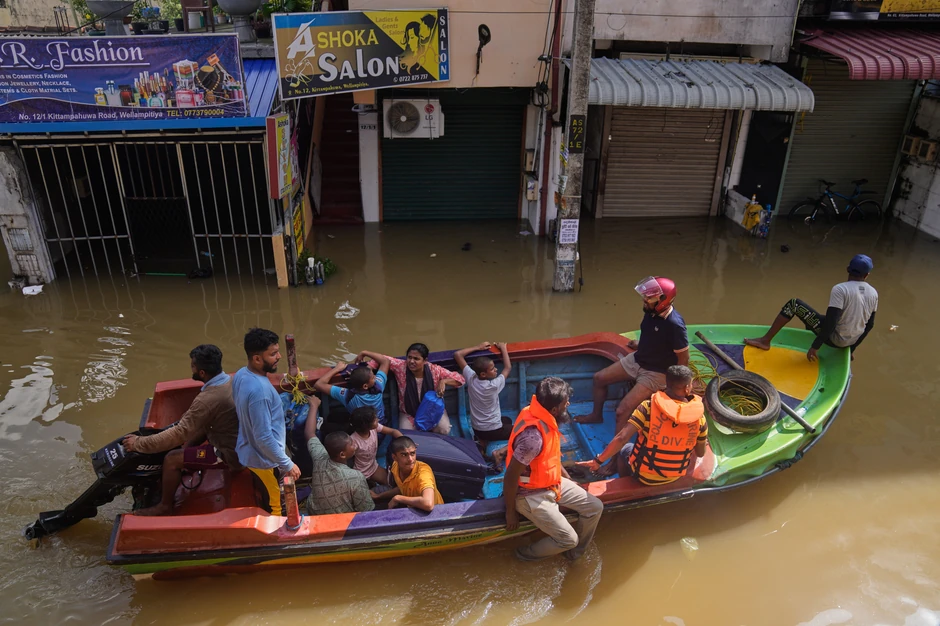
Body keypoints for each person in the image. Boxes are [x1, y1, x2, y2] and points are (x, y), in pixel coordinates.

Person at [123, 344, 241, 516]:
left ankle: (165, 506)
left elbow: (178, 434)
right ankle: (188, 456)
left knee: (171, 458)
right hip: (237, 440)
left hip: (230, 454)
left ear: (201, 373)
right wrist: (188, 448)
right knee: (195, 433)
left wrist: (138, 444)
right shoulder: (231, 380)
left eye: (193, 365)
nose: (191, 368)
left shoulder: (206, 400)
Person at [505, 377, 603, 562]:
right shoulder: (532, 439)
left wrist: (568, 480)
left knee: (595, 507)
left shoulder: (540, 415)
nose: (569, 404)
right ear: (555, 410)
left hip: (551, 483)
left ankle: (574, 555)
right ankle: (522, 555)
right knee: (568, 539)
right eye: (566, 403)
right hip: (530, 495)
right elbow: (510, 477)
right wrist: (510, 511)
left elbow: (551, 457)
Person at [576, 276, 689, 432]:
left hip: (656, 372)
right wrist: (640, 344)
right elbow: (652, 334)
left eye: (649, 298)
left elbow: (684, 358)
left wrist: (675, 386)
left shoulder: (675, 325)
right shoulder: (651, 311)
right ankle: (596, 415)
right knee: (599, 378)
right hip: (638, 359)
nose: (644, 300)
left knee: (622, 411)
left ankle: (617, 453)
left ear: (663, 300)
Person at [745, 254, 878, 362]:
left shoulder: (841, 289)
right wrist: (852, 348)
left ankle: (765, 341)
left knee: (793, 304)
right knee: (818, 317)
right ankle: (813, 333)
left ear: (847, 269)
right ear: (866, 275)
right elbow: (870, 325)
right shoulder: (873, 293)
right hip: (851, 341)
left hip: (834, 339)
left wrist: (815, 346)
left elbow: (832, 322)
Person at [587, 365, 707, 482]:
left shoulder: (647, 407)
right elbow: (700, 453)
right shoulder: (699, 418)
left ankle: (625, 481)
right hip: (673, 477)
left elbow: (622, 438)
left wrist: (598, 461)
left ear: (667, 383)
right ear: (687, 388)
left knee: (624, 447)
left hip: (644, 475)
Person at [232, 328, 299, 516]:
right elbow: (263, 437)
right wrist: (287, 464)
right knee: (275, 506)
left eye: (278, 351)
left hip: (250, 449)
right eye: (272, 354)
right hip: (264, 461)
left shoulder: (240, 375)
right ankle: (277, 537)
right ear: (257, 359)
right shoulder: (260, 392)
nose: (279, 356)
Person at [301, 396, 375, 515]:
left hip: (315, 513)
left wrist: (314, 406)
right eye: (351, 444)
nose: (355, 445)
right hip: (339, 522)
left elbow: (309, 432)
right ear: (342, 454)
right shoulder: (355, 477)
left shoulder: (319, 456)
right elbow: (367, 509)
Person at [381, 343, 465, 435]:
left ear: (425, 361)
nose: (411, 361)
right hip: (409, 413)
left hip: (432, 410)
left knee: (444, 429)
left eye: (416, 359)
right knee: (406, 435)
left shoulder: (435, 370)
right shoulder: (401, 367)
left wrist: (444, 381)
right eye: (409, 357)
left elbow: (460, 379)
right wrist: (368, 364)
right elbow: (382, 359)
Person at [454, 341, 513, 443]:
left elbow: (458, 355)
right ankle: (498, 452)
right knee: (521, 430)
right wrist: (503, 348)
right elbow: (508, 368)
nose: (496, 370)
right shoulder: (493, 386)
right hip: (493, 430)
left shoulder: (471, 377)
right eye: (492, 369)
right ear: (483, 374)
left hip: (477, 429)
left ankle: (482, 441)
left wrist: (477, 347)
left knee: (507, 420)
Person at [314, 350, 390, 423]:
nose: (375, 378)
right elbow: (385, 361)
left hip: (360, 429)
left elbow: (319, 384)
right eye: (373, 377)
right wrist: (364, 352)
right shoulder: (378, 387)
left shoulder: (347, 395)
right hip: (380, 424)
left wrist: (337, 369)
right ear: (365, 386)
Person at [371, 436, 444, 512]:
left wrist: (399, 498)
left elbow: (428, 504)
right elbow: (402, 488)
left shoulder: (423, 473)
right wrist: (379, 496)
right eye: (404, 455)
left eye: (412, 453)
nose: (410, 459)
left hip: (435, 514)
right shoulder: (395, 467)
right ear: (394, 457)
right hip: (413, 509)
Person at [350, 406, 402, 486]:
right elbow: (347, 460)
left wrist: (406, 442)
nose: (378, 420)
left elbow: (393, 431)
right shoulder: (353, 441)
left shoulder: (374, 428)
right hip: (359, 473)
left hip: (373, 467)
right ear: (366, 426)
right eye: (375, 420)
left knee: (391, 482)